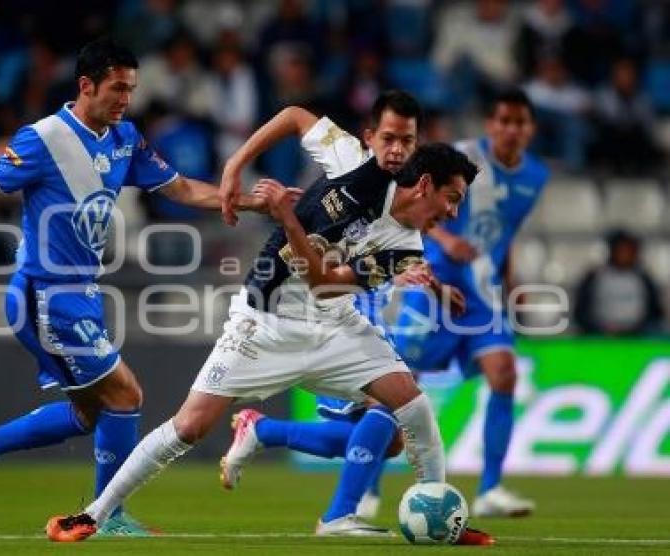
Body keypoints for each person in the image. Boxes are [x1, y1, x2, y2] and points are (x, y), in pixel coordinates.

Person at [0, 36, 264, 536]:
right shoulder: (44, 138)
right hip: (44, 294)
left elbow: (179, 188)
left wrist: (250, 202)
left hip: (79, 295)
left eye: (130, 89)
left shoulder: (124, 138)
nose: (124, 99)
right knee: (125, 395)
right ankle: (107, 516)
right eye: (116, 88)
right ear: (86, 85)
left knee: (91, 413)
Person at [45, 138, 489, 543]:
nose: (452, 213)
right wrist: (237, 163)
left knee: (412, 403)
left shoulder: (408, 249)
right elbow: (296, 115)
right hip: (264, 323)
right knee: (190, 427)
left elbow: (324, 286)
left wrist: (288, 217)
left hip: (334, 325)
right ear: (425, 184)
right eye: (451, 199)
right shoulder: (361, 171)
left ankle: (439, 510)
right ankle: (93, 515)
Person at [218, 90, 423, 536]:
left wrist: (427, 276)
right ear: (371, 138)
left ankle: (264, 432)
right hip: (322, 311)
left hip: (355, 305)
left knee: (386, 437)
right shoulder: (348, 154)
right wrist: (235, 165)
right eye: (389, 138)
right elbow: (293, 114)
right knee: (389, 410)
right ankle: (339, 515)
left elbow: (410, 240)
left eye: (406, 140)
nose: (397, 149)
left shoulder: (408, 190)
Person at [388, 89, 548, 517]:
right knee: (396, 388)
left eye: (520, 122)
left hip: (482, 293)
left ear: (530, 129)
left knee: (504, 373)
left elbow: (505, 232)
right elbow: (414, 202)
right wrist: (443, 237)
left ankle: (491, 489)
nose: (512, 130)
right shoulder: (462, 159)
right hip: (435, 282)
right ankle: (362, 491)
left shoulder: (536, 176)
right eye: (504, 121)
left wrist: (512, 280)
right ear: (491, 125)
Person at [574, 229, 665, 336]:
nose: (624, 255)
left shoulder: (644, 279)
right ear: (612, 251)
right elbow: (581, 311)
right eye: (621, 250)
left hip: (638, 336)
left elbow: (655, 312)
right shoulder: (595, 277)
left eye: (629, 251)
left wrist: (635, 328)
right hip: (601, 336)